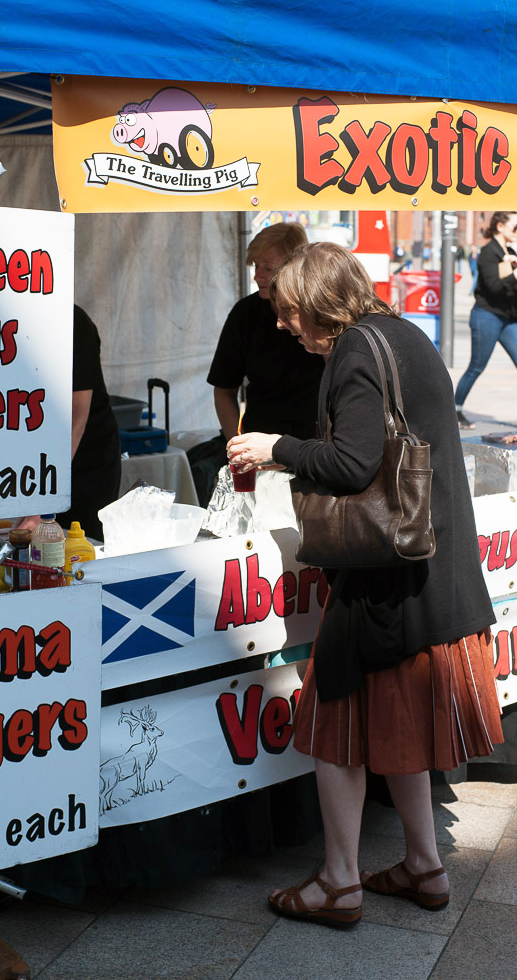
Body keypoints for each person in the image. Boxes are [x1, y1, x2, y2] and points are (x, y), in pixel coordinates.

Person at [227, 242, 503, 929]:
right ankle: (423, 866)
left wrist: (274, 448)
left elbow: (351, 463)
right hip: (429, 575)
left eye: (289, 311)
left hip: (384, 581)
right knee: (397, 724)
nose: (285, 325)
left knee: (333, 725)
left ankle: (339, 881)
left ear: (319, 304)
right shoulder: (403, 333)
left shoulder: (353, 350)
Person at [207, 222, 325, 443]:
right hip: (260, 448)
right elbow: (223, 390)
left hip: (314, 449)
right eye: (255, 266)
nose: (257, 276)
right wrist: (238, 448)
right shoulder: (245, 314)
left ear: (295, 268)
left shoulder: (321, 313)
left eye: (268, 268)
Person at [19, 304, 121, 541]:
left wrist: (41, 506)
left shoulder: (73, 322)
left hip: (83, 457)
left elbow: (75, 422)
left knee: (76, 546)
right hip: (32, 454)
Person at [454, 212, 517, 429]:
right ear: (500, 226)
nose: (516, 233)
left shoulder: (509, 252)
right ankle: (456, 410)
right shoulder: (488, 253)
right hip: (486, 316)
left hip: (508, 319)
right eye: (515, 228)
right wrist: (512, 274)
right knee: (477, 366)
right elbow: (493, 287)